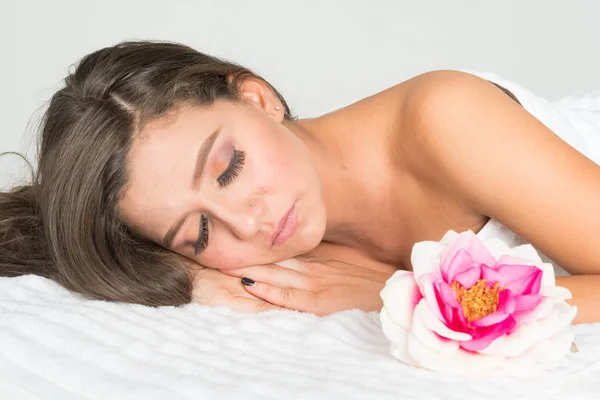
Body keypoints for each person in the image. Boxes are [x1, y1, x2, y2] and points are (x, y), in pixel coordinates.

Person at [1, 41, 598, 324]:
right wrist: (184, 267)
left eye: (229, 167)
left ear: (258, 98)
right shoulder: (259, 254)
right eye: (199, 230)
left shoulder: (447, 120)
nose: (248, 220)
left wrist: (405, 296)